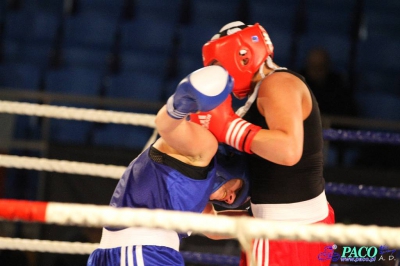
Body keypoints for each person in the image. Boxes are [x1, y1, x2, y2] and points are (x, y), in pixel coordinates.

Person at [190, 21, 335, 266]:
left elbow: (288, 151)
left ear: (242, 56)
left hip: (286, 234)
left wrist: (226, 127)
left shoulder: (279, 84)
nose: (219, 79)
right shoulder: (262, 94)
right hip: (280, 227)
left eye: (218, 67)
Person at [87, 65, 250, 266]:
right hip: (141, 252)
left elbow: (214, 228)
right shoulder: (203, 148)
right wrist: (181, 102)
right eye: (237, 188)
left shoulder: (196, 190)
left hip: (132, 253)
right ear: (232, 161)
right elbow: (166, 126)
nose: (231, 198)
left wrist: (269, 223)